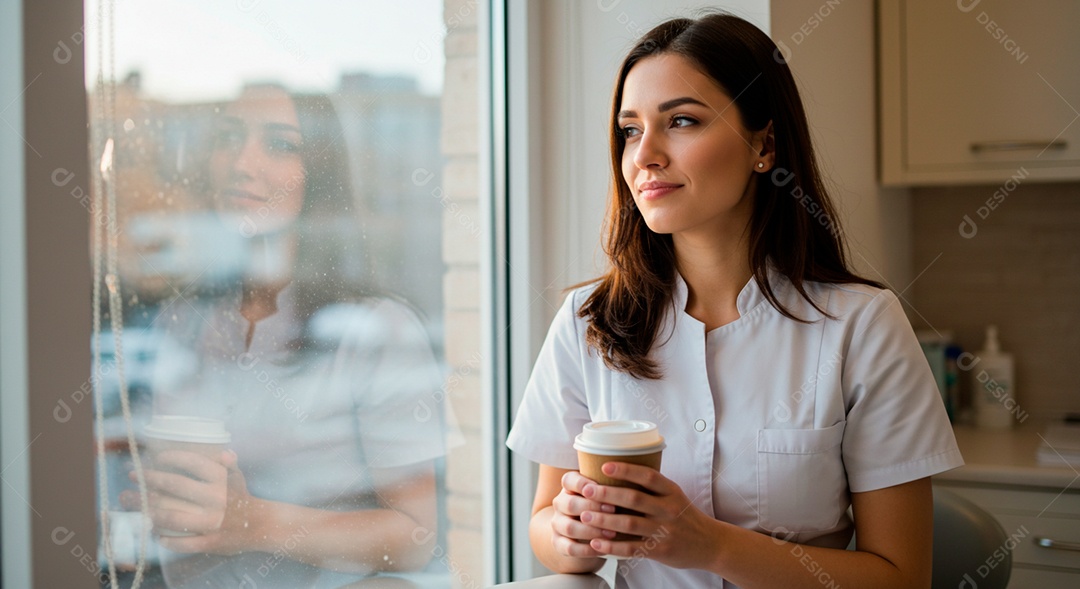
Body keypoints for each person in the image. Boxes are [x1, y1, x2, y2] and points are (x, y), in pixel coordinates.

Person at [506, 13, 962, 589]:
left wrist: (711, 545)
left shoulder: (861, 326)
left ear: (763, 145)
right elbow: (544, 525)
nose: (644, 155)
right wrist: (570, 533)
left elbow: (901, 578)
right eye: (629, 130)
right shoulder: (587, 323)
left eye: (681, 121)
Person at [121, 84, 454, 588]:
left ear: (317, 176)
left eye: (279, 145)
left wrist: (252, 523)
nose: (241, 163)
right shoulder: (181, 322)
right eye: (228, 138)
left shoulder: (372, 330)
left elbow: (415, 538)